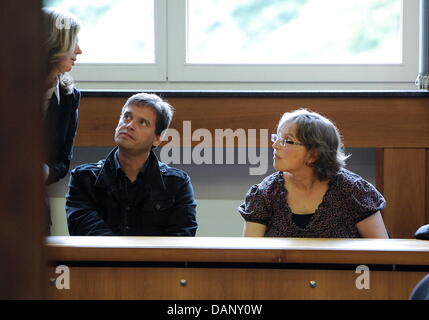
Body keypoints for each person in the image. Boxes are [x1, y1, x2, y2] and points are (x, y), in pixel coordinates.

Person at [238, 108, 389, 238]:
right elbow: (250, 256)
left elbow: (382, 254)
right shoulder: (265, 194)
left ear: (314, 153)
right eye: (277, 137)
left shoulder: (353, 190)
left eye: (288, 141)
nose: (275, 145)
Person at [66, 93, 198, 236]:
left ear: (157, 139)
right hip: (102, 258)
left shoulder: (177, 184)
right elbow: (85, 232)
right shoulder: (84, 178)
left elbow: (181, 239)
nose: (129, 125)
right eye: (127, 117)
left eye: (142, 122)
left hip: (156, 259)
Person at [42, 8, 82, 184]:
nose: (79, 50)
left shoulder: (69, 97)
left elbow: (63, 163)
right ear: (55, 43)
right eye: (74, 42)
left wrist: (43, 172)